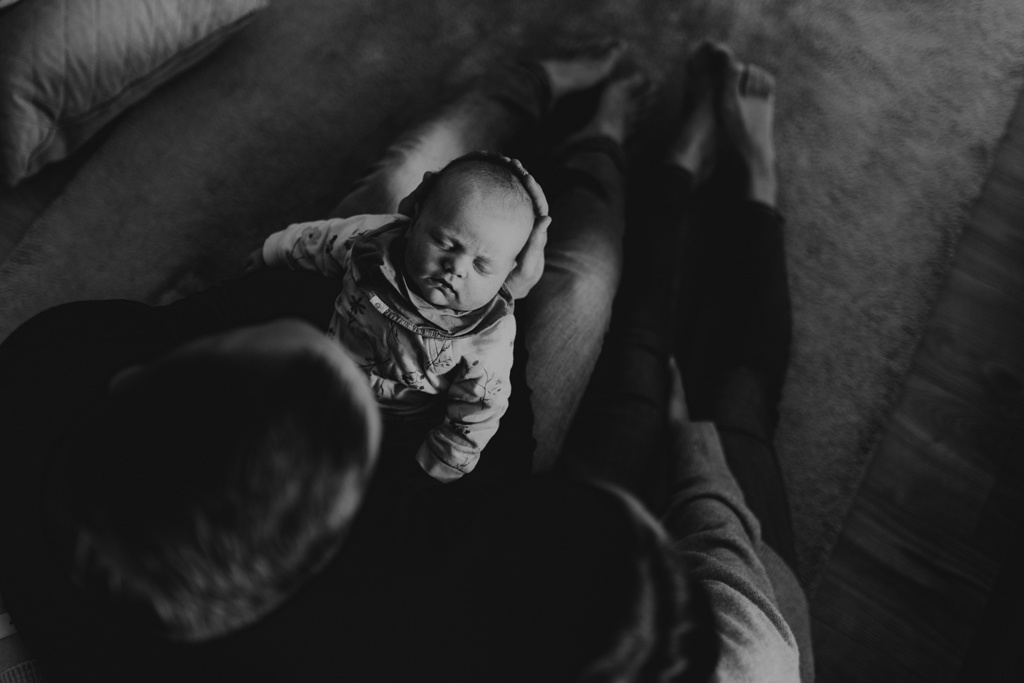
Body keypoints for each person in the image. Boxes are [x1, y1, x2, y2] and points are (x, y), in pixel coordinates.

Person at [246, 151, 549, 482]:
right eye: (444, 242)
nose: (456, 268)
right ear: (416, 217)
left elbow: (481, 406)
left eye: (482, 265)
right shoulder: (375, 242)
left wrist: (439, 462)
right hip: (325, 373)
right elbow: (321, 240)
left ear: (509, 272)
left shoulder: (489, 334)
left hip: (401, 424)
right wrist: (272, 252)